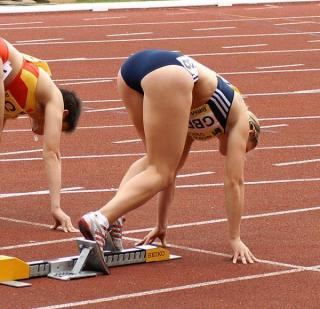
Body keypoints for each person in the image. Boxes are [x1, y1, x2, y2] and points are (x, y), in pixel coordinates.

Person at [78, 49, 260, 264]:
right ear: (250, 133)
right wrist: (235, 238)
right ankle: (101, 219)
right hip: (169, 74)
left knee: (154, 164)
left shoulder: (197, 120)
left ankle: (113, 219)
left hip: (131, 71)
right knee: (159, 171)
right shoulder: (238, 116)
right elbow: (235, 181)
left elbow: (172, 172)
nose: (240, 153)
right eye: (246, 149)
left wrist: (161, 225)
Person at [0, 37, 82, 233]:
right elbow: (52, 153)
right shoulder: (53, 96)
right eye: (57, 127)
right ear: (62, 114)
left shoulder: (18, 108)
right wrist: (56, 208)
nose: (48, 132)